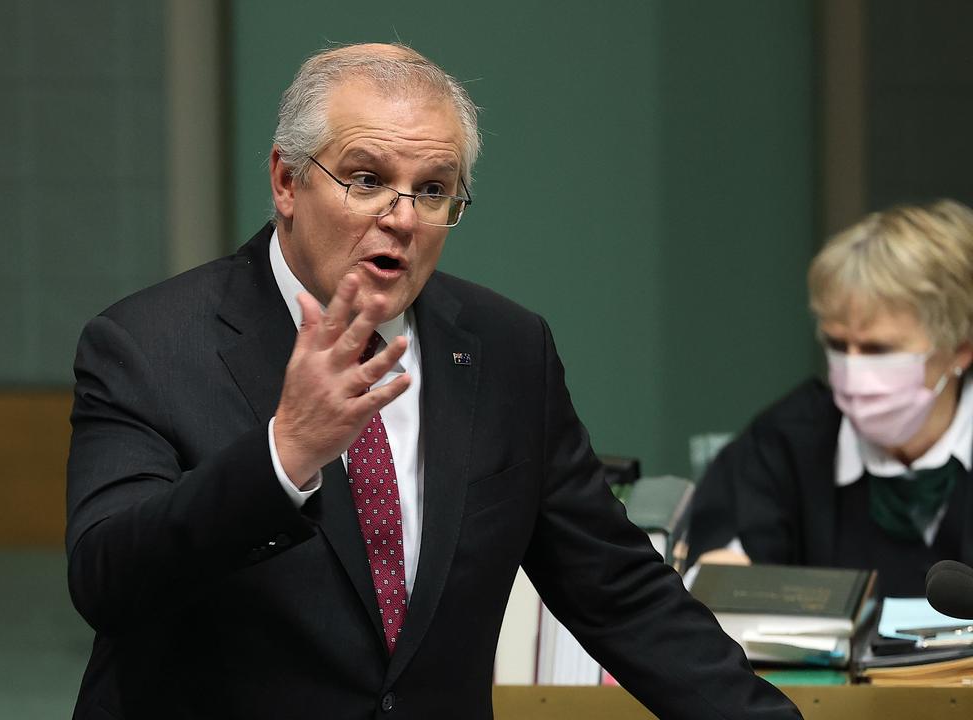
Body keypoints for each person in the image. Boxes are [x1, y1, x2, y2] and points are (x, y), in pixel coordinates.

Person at [66, 43, 799, 719]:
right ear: (287, 181)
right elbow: (107, 579)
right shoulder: (148, 345)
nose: (403, 218)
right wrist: (282, 457)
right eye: (366, 180)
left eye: (434, 190)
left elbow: (618, 592)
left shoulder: (508, 350)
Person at [688, 200, 973, 597]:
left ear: (961, 349)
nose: (853, 371)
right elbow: (719, 578)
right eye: (838, 344)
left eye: (879, 350)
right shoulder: (784, 443)